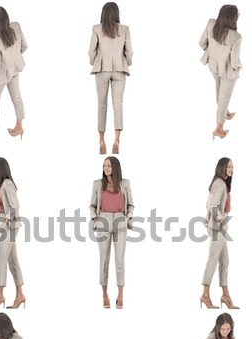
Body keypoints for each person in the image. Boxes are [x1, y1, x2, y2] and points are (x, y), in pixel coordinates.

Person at [88, 2, 133, 154]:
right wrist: (127, 63)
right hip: (119, 69)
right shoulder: (124, 29)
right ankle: (117, 139)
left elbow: (91, 51)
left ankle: (101, 140)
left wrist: (93, 62)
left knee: (101, 105)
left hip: (102, 69)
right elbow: (130, 52)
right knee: (118, 105)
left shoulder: (97, 29)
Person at [89, 156, 134, 309]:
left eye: (109, 165)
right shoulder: (97, 184)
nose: (106, 168)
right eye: (104, 165)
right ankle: (104, 294)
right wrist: (95, 218)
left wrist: (127, 219)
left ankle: (120, 296)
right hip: (103, 222)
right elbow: (92, 205)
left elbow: (131, 205)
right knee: (104, 261)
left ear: (115, 167)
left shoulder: (125, 184)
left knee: (120, 261)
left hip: (120, 223)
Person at [0, 6, 27, 139]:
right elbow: (24, 46)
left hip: (1, 75)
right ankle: (19, 126)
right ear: (7, 20)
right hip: (15, 70)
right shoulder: (16, 27)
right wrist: (14, 58)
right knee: (17, 97)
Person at [0, 158, 26, 310]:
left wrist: (8, 219)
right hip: (4, 225)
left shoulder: (7, 183)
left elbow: (15, 205)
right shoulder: (1, 186)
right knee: (13, 261)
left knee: (0, 258)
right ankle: (20, 295)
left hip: (9, 225)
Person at [200, 157, 239, 309]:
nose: (231, 169)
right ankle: (205, 295)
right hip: (218, 227)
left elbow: (208, 204)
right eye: (229, 167)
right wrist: (221, 219)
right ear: (222, 167)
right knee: (213, 260)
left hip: (220, 227)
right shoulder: (220, 183)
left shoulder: (221, 183)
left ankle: (225, 295)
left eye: (232, 167)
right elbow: (212, 205)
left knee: (224, 261)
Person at [199, 5, 241, 139]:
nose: (239, 15)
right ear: (232, 18)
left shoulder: (211, 23)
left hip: (213, 65)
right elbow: (235, 62)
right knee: (224, 97)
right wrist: (239, 67)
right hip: (227, 70)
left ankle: (225, 113)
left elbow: (201, 43)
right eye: (237, 14)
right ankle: (219, 128)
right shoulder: (236, 37)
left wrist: (213, 53)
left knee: (219, 88)